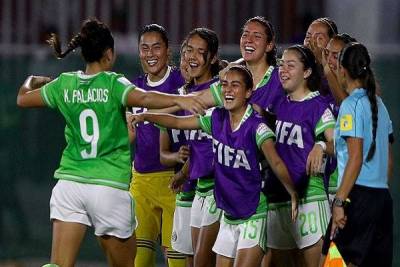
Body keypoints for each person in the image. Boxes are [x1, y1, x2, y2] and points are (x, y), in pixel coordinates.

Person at [16, 18, 205, 267]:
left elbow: (22, 98)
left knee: (58, 264)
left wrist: (34, 78)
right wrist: (181, 101)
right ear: (109, 54)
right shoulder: (114, 83)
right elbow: (146, 97)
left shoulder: (64, 83)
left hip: (70, 184)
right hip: (108, 186)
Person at [132, 65, 298, 267]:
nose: (228, 90)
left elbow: (277, 163)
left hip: (252, 213)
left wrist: (293, 194)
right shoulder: (216, 118)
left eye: (235, 85)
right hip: (228, 214)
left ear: (248, 92)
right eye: (225, 85)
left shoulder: (257, 127)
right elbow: (177, 122)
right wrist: (145, 116)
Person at [265, 45, 336, 267]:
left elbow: (339, 144)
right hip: (279, 196)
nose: (283, 70)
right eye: (281, 64)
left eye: (290, 65)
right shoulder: (278, 104)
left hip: (309, 198)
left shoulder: (318, 106)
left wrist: (322, 145)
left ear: (306, 73)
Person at [324, 43, 394, 266]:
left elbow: (356, 157)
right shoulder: (380, 105)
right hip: (382, 199)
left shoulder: (350, 106)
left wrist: (339, 202)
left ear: (342, 70)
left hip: (356, 197)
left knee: (336, 262)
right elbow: (389, 161)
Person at [128, 24, 187, 267]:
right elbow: (128, 134)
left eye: (156, 47)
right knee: (139, 260)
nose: (150, 54)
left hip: (176, 181)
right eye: (144, 48)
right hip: (141, 182)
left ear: (167, 51)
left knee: (177, 261)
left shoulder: (182, 80)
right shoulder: (132, 87)